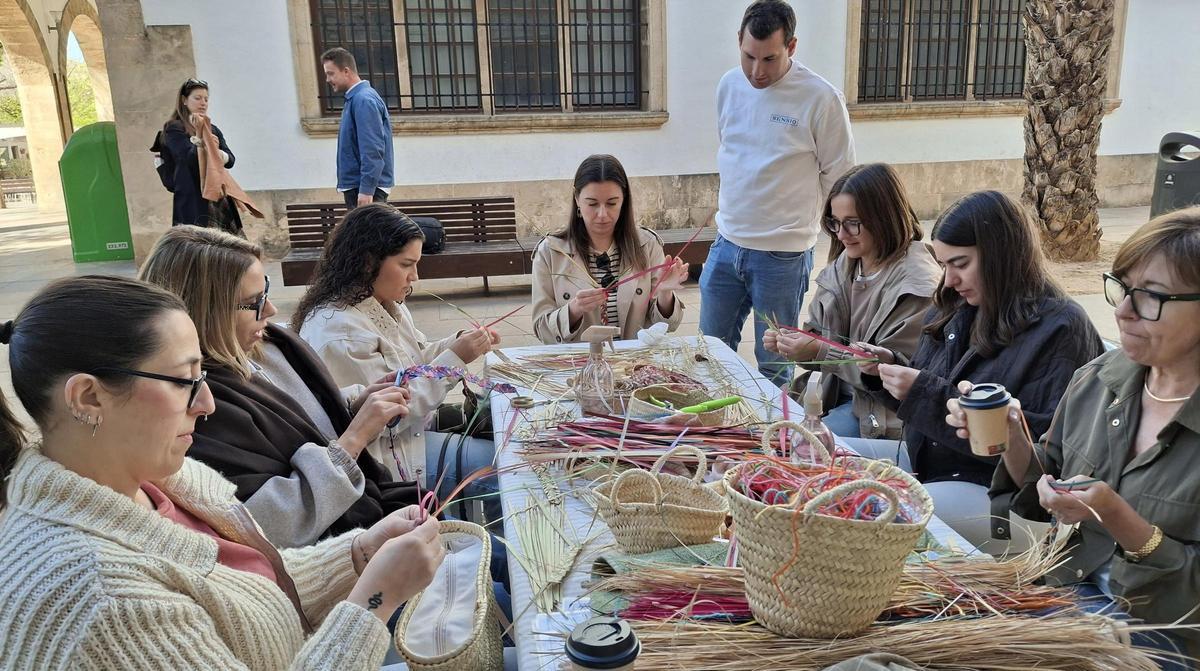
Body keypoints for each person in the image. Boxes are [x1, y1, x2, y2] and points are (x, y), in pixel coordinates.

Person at [0, 275, 444, 669]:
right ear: (88, 398)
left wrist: (360, 554)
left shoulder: (157, 481)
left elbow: (250, 590)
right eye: (183, 381)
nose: (207, 403)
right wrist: (373, 602)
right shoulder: (103, 600)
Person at [948, 207, 1200, 667]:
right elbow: (1051, 472)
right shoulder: (1100, 378)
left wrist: (1114, 514)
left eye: (1150, 297)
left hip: (1162, 637)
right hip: (1069, 591)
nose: (1122, 311)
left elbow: (1191, 602)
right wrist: (1015, 437)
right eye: (1122, 288)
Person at [139, 226, 418, 549]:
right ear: (207, 311)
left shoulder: (270, 345)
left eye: (266, 292)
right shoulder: (200, 406)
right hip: (340, 550)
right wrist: (354, 439)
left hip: (374, 513)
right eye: (254, 302)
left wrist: (349, 406)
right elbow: (260, 527)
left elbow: (297, 421)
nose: (270, 311)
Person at [854, 190, 1103, 549]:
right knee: (826, 457)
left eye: (960, 263)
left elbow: (1043, 452)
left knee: (874, 511)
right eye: (944, 265)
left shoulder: (1060, 327)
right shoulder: (955, 305)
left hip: (1000, 494)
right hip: (933, 464)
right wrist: (890, 372)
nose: (950, 280)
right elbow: (936, 393)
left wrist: (921, 391)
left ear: (1001, 254)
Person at [293, 203, 503, 523]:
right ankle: (495, 559)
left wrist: (458, 343)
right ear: (368, 261)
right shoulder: (339, 332)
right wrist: (457, 357)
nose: (414, 276)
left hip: (412, 432)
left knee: (499, 424)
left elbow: (416, 359)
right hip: (390, 457)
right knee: (498, 469)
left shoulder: (384, 301)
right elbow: (391, 417)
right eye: (407, 264)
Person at [699, 0, 855, 387]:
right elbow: (733, 151)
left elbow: (840, 180)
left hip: (782, 255)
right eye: (749, 56)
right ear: (738, 41)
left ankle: (775, 445)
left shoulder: (821, 98)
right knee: (708, 357)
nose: (757, 71)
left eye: (769, 59)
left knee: (775, 368)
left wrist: (840, 242)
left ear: (792, 46)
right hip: (726, 245)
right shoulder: (729, 85)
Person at [763, 163, 940, 439]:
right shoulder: (842, 267)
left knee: (801, 448)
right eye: (835, 223)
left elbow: (889, 376)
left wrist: (819, 350)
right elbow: (818, 341)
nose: (841, 234)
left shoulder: (917, 285)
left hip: (881, 414)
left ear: (884, 217)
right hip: (831, 396)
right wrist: (793, 343)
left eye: (853, 223)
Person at [531, 154, 688, 344]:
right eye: (592, 203)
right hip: (579, 365)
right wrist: (574, 310)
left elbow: (667, 325)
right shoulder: (551, 251)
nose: (602, 214)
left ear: (624, 200)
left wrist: (664, 293)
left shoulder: (647, 245)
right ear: (577, 199)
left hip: (634, 364)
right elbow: (541, 329)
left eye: (612, 203)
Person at [162, 78, 244, 234]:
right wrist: (203, 141)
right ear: (184, 100)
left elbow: (230, 160)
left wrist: (216, 152)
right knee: (199, 250)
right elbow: (189, 158)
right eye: (197, 98)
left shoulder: (212, 129)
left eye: (206, 99)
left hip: (219, 197)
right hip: (193, 199)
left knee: (231, 251)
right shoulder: (174, 128)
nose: (203, 103)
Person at [322, 47, 394, 209]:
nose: (327, 79)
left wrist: (367, 189)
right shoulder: (356, 99)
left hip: (365, 189)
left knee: (367, 235)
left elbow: (373, 148)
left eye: (330, 73)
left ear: (346, 71)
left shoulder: (363, 100)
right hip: (361, 186)